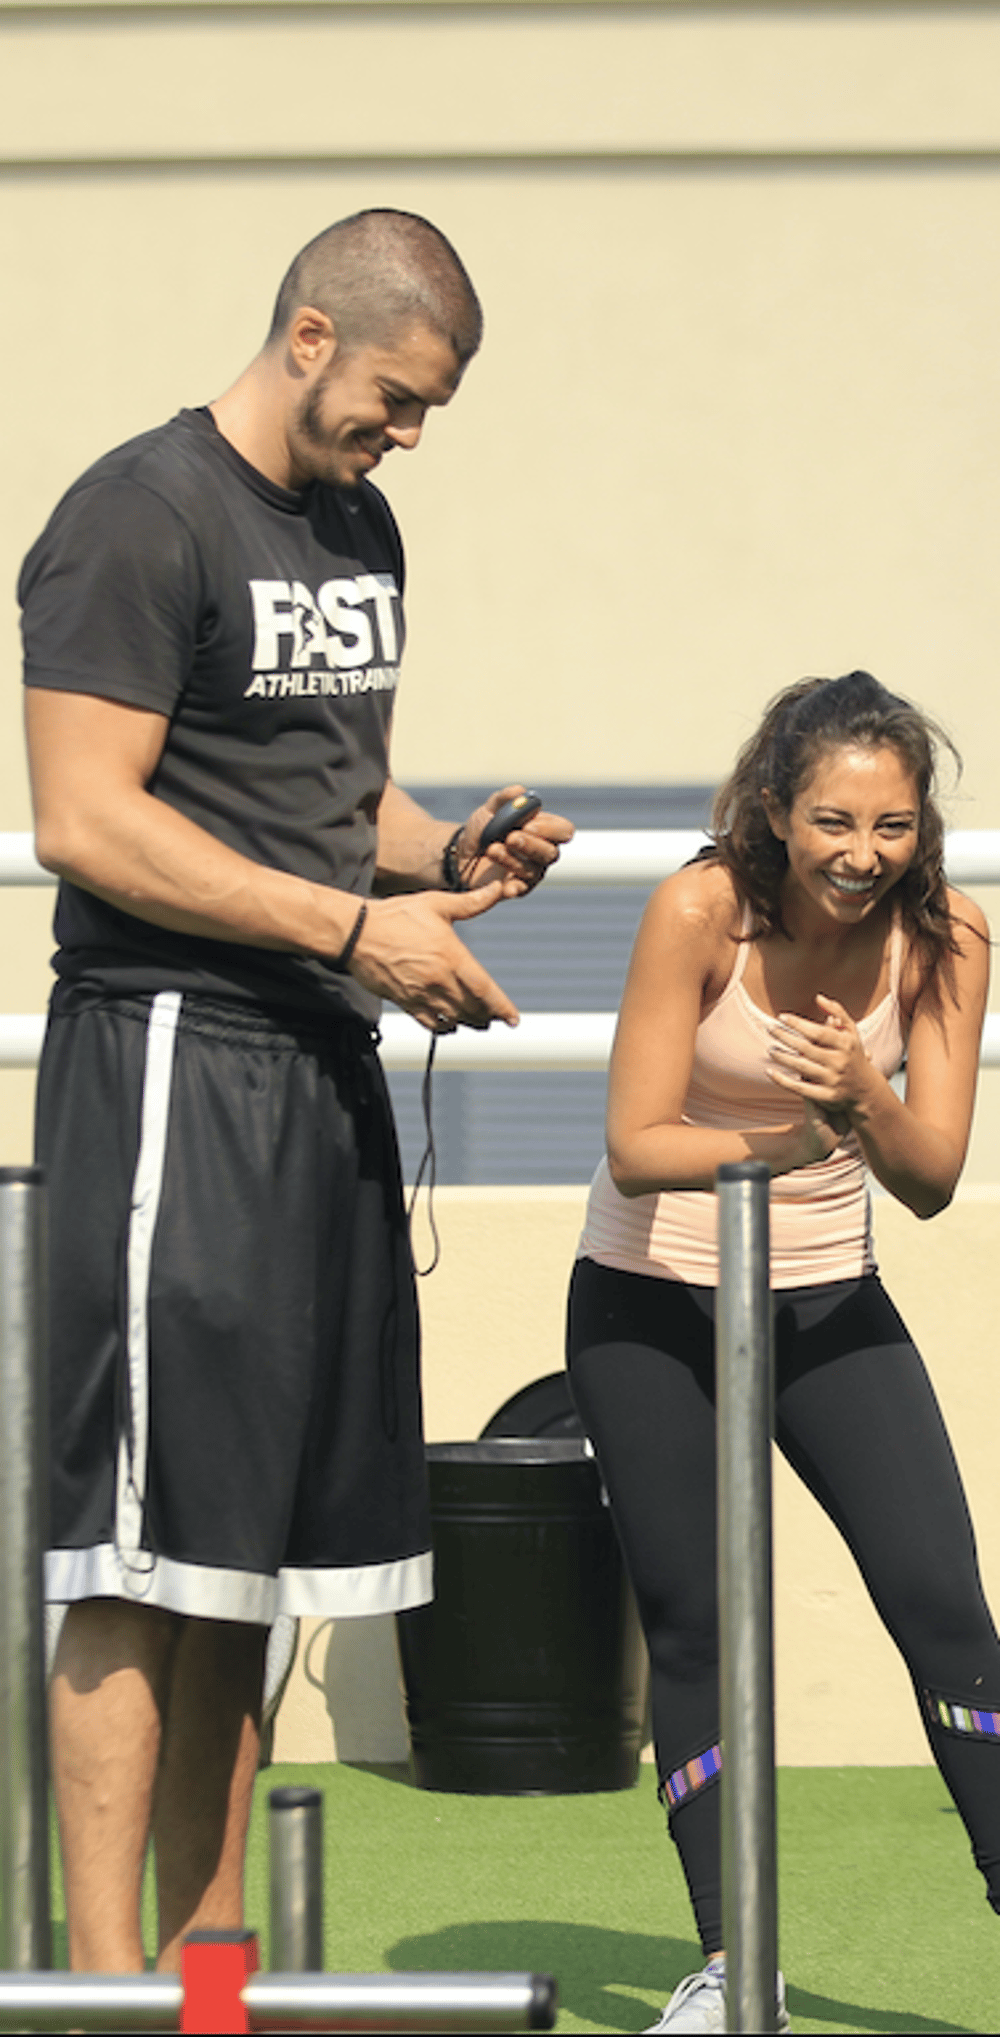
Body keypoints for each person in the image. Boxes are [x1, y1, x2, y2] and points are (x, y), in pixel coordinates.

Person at [18, 207, 571, 1974]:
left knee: (245, 1570)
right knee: (133, 1560)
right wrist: (355, 922)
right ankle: (103, 1999)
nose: (405, 436)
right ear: (313, 334)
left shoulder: (361, 529)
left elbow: (341, 793)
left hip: (316, 1068)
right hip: (173, 1066)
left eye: (430, 415)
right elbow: (85, 819)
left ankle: (209, 1992)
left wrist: (450, 852)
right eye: (398, 397)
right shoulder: (137, 514)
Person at [567, 670, 998, 2034]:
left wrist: (865, 1094)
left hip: (824, 1303)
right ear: (774, 810)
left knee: (946, 1610)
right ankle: (724, 1965)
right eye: (833, 822)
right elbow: (639, 1143)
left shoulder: (952, 942)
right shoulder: (700, 908)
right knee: (698, 1626)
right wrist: (796, 1140)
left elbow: (929, 1176)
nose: (864, 856)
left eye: (893, 827)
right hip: (650, 1304)